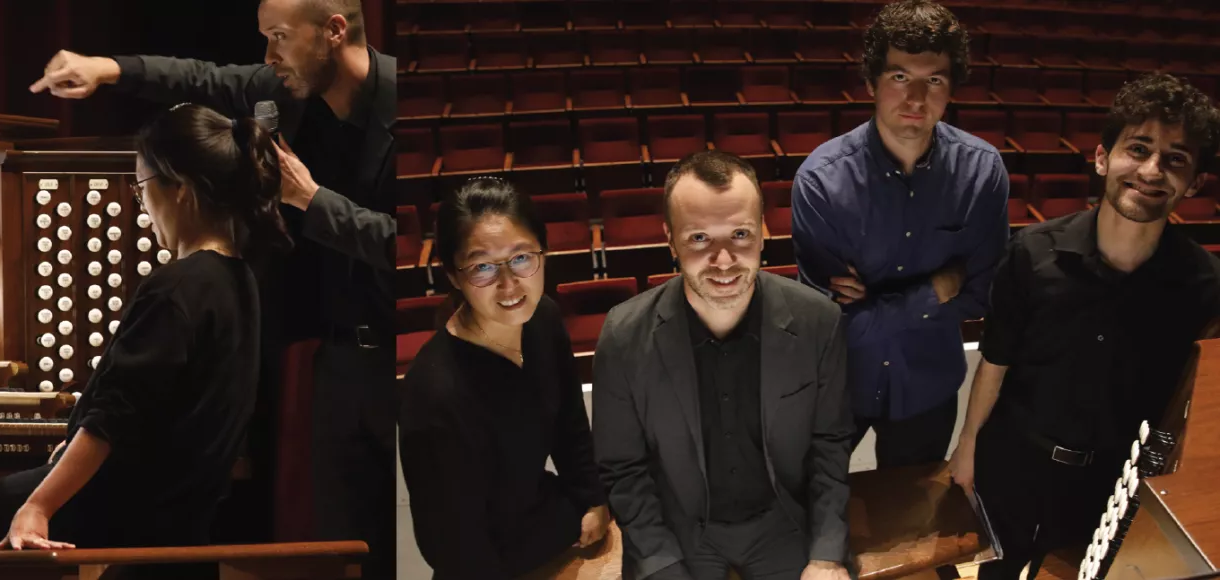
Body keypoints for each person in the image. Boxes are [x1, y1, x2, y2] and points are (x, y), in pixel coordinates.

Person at [28, 1, 395, 576]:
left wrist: (313, 201)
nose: (268, 57)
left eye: (278, 38)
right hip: (335, 355)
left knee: (392, 535)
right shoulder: (286, 85)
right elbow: (202, 77)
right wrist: (108, 67)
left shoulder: (398, 101)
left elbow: (413, 246)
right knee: (343, 538)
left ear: (333, 32)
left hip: (396, 353)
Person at [0, 103, 290, 580]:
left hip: (118, 501)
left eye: (142, 187)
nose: (140, 204)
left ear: (182, 190)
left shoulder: (179, 286)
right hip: (177, 511)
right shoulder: (241, 281)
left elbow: (113, 418)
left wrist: (38, 505)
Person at [948, 72, 1220, 579]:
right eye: (1138, 149)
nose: (1152, 170)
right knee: (998, 573)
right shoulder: (1031, 252)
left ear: (1194, 183)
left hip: (1114, 479)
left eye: (1175, 160)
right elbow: (996, 360)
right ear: (1102, 158)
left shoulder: (1205, 284)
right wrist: (967, 448)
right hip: (1016, 461)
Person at [593, 151, 853, 580]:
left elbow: (830, 446)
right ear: (670, 239)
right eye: (699, 239)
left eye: (739, 234)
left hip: (783, 523)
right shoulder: (623, 335)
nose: (724, 259)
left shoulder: (818, 321)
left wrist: (826, 554)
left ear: (763, 233)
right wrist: (660, 564)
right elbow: (624, 469)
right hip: (679, 534)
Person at [791, 0, 1009, 469]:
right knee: (809, 508)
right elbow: (829, 325)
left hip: (928, 388)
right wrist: (936, 290)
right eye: (898, 77)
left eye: (933, 80)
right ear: (871, 82)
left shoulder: (984, 172)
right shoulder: (821, 181)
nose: (915, 98)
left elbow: (979, 297)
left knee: (908, 524)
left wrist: (872, 305)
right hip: (838, 387)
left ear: (951, 89)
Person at [399, 177, 610, 579]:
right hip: (479, 560)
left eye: (521, 258)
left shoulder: (543, 318)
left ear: (543, 255)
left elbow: (570, 423)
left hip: (540, 520)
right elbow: (449, 544)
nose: (509, 283)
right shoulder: (435, 394)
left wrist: (592, 499)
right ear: (453, 276)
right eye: (482, 267)